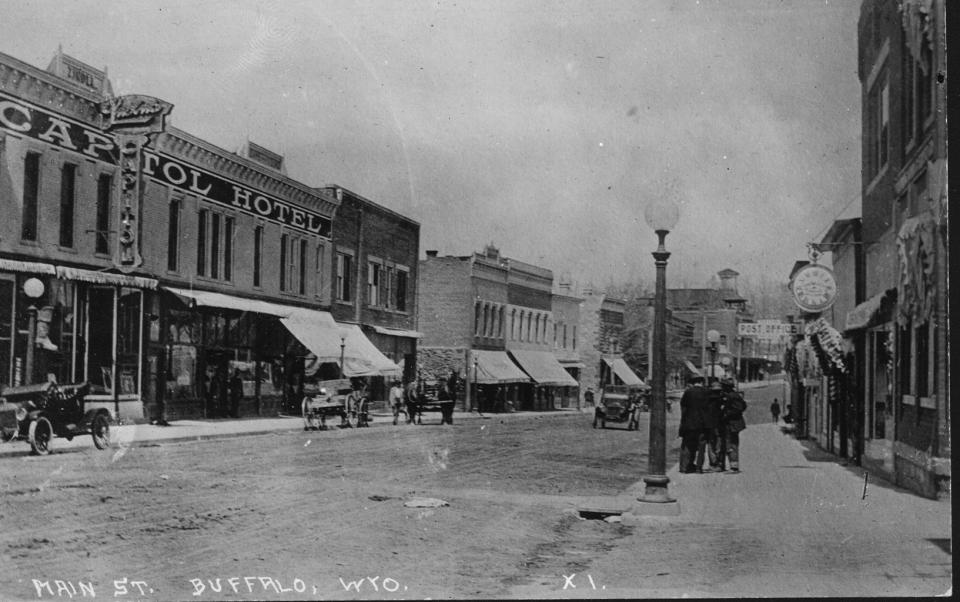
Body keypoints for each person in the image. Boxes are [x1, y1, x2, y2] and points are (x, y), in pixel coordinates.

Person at [678, 376, 711, 473]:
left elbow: (683, 407)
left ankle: (685, 467)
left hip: (689, 423)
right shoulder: (706, 392)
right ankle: (699, 468)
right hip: (703, 424)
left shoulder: (688, 392)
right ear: (701, 382)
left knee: (688, 445)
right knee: (701, 447)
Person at [718, 379, 747, 473]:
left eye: (723, 386)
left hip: (732, 424)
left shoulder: (732, 396)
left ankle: (734, 467)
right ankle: (733, 465)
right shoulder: (734, 395)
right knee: (732, 443)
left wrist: (726, 414)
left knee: (731, 444)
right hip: (734, 423)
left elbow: (738, 409)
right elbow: (743, 406)